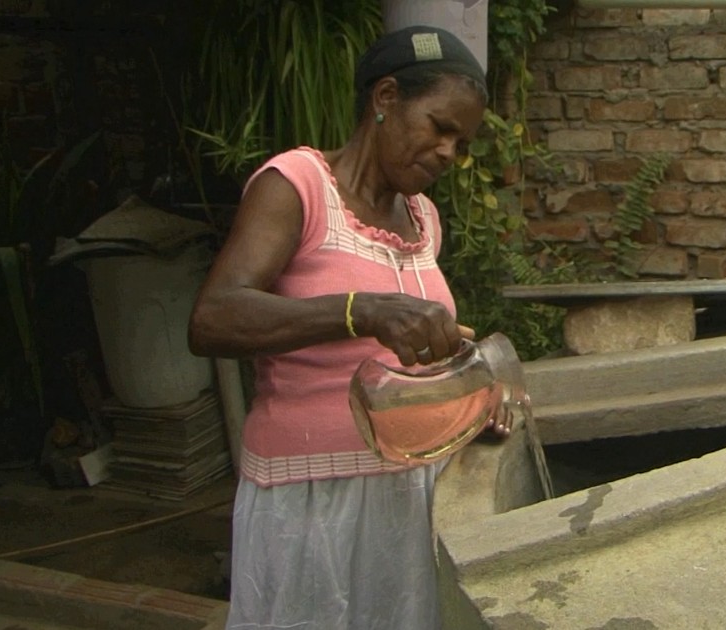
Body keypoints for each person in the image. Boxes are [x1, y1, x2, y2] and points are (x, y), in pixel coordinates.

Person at [187, 25, 507, 629]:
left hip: (413, 498)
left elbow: (419, 355)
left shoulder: (423, 218)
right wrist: (362, 309)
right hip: (314, 500)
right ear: (386, 98)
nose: (448, 153)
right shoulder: (299, 186)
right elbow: (214, 318)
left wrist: (477, 397)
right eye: (440, 128)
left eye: (460, 143)